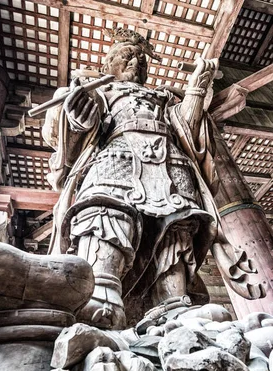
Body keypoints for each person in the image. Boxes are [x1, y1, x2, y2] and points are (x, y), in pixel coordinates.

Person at [42, 31, 263, 329]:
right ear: (109, 64)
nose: (135, 61)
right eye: (127, 55)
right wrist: (78, 118)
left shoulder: (163, 96)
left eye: (141, 58)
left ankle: (173, 303)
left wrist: (196, 90)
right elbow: (66, 134)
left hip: (170, 162)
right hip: (116, 156)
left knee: (176, 227)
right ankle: (101, 292)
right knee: (106, 213)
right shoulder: (100, 90)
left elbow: (185, 128)